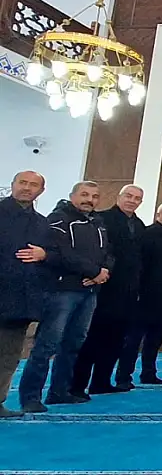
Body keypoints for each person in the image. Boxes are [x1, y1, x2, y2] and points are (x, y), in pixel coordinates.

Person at [20, 181, 113, 412]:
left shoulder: (98, 222)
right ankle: (30, 397)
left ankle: (59, 391)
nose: (89, 199)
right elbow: (63, 254)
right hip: (61, 291)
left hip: (89, 291)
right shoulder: (58, 220)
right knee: (46, 345)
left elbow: (108, 253)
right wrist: (93, 272)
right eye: (84, 194)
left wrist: (102, 273)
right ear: (72, 196)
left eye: (94, 196)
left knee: (73, 344)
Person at [73, 185, 144, 397]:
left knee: (115, 340)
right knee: (92, 339)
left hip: (128, 293)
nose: (132, 200)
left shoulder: (139, 226)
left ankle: (101, 381)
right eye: (128, 196)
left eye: (137, 198)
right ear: (119, 197)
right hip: (103, 288)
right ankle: (76, 385)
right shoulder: (102, 219)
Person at [0, 171, 54, 418]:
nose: (27, 188)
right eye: (23, 183)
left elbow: (55, 256)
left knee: (9, 355)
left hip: (21, 300)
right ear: (12, 185)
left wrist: (45, 255)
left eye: (33, 185)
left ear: (40, 191)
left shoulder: (42, 223)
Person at [117, 202, 162, 387]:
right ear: (158, 214)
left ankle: (148, 373)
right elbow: (138, 266)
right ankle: (124, 377)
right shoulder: (147, 234)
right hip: (145, 297)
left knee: (155, 341)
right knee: (133, 340)